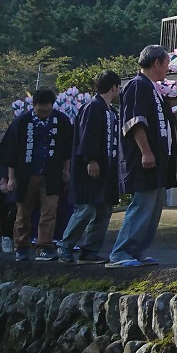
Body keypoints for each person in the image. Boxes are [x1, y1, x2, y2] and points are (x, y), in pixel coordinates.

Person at [109, 45, 177, 269]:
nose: (168, 69)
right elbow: (135, 122)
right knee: (142, 204)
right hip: (144, 158)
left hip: (158, 159)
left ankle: (137, 250)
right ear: (156, 63)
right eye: (166, 64)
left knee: (154, 206)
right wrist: (146, 152)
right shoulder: (137, 86)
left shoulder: (152, 88)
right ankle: (121, 251)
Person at [1, 88, 73, 262]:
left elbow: (67, 149)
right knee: (23, 212)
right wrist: (10, 178)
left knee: (49, 211)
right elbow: (9, 151)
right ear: (33, 106)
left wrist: (66, 170)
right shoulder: (22, 121)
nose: (43, 114)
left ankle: (44, 246)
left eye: (47, 110)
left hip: (52, 173)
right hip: (26, 174)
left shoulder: (61, 121)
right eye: (40, 111)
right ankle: (21, 246)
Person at [58, 71, 121, 265]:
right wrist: (91, 160)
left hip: (107, 168)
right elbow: (88, 136)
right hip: (90, 167)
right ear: (114, 87)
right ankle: (65, 245)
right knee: (85, 208)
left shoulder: (111, 111)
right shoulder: (93, 107)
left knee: (104, 209)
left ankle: (90, 250)